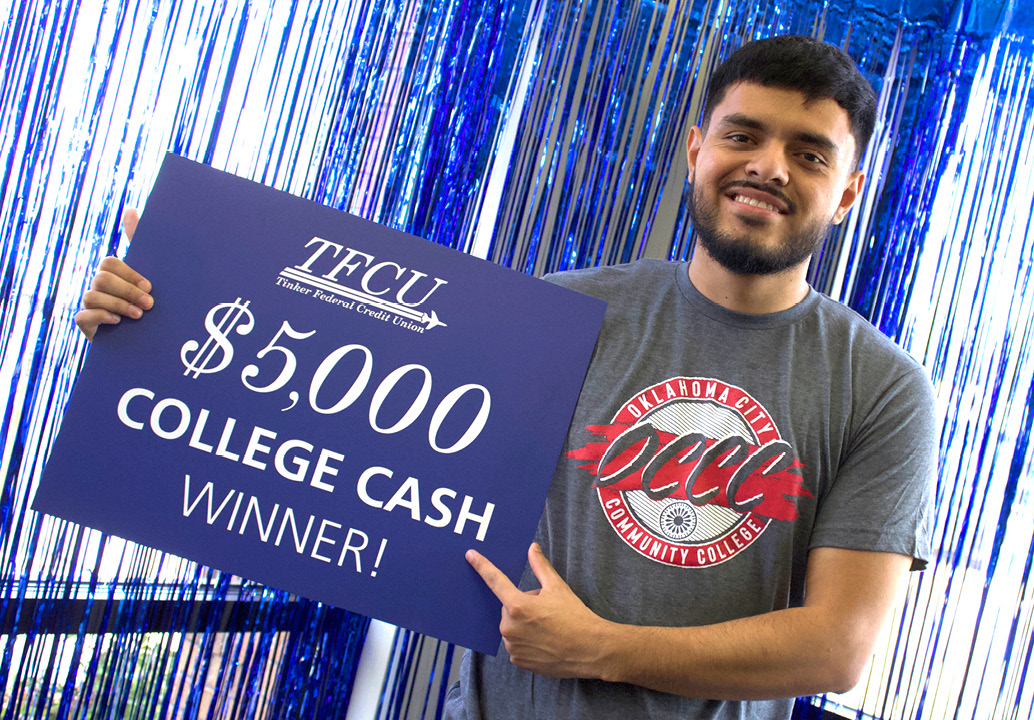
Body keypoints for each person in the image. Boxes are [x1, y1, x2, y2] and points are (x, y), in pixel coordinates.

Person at [77, 35, 937, 720]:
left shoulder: (883, 388)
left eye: (810, 154)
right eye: (743, 135)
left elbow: (837, 649)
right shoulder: (550, 315)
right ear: (695, 149)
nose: (770, 167)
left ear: (850, 190)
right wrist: (166, 306)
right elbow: (323, 387)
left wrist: (599, 647)